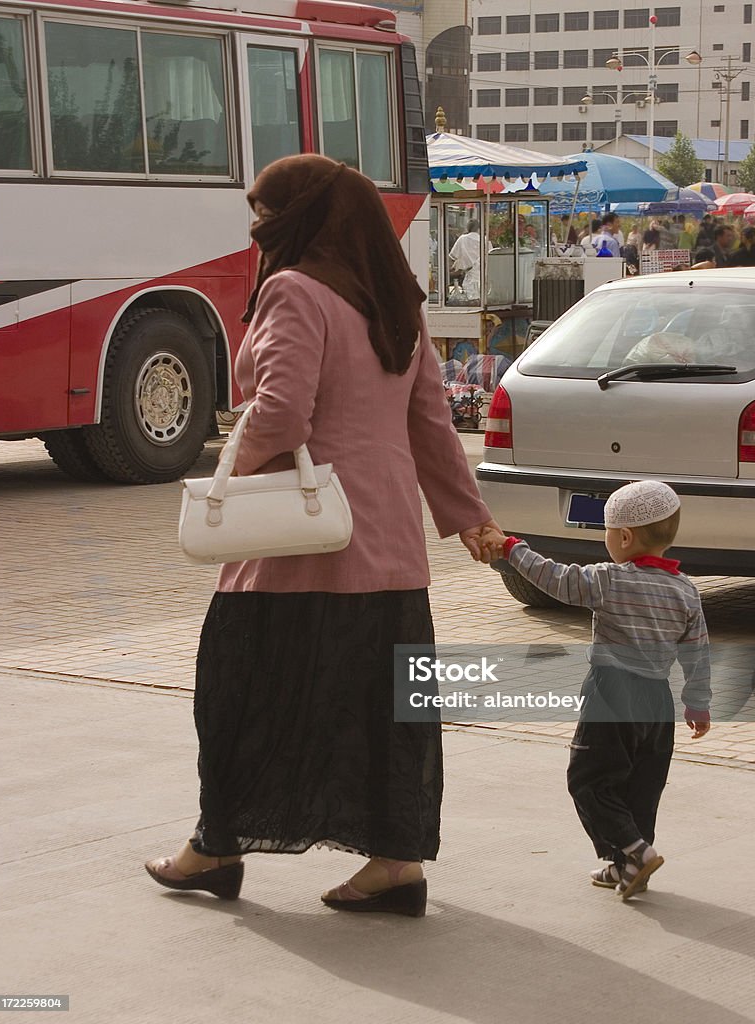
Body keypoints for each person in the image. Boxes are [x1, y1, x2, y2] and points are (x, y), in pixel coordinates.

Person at [144, 155, 499, 915]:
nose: (256, 227)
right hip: (388, 546)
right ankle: (395, 864)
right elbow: (431, 422)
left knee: (239, 697)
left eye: (265, 212)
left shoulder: (293, 289)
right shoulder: (394, 299)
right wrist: (468, 517)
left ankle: (215, 848)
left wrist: (226, 480)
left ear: (300, 218)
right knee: (381, 709)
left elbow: (281, 412)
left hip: (298, 544)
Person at [481, 481, 711, 899]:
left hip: (612, 693)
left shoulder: (608, 580)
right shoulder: (686, 591)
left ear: (623, 537)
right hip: (657, 702)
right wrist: (698, 703)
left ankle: (635, 851)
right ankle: (626, 863)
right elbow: (697, 652)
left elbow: (555, 579)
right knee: (642, 785)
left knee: (589, 780)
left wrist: (512, 547)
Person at [449, 217, 483, 301]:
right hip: (483, 278)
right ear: (479, 228)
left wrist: (450, 270)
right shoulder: (485, 240)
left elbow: (452, 257)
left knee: (471, 301)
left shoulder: (462, 239)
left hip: (469, 277)